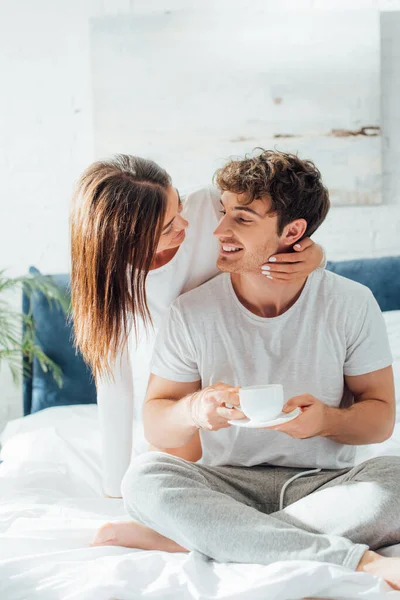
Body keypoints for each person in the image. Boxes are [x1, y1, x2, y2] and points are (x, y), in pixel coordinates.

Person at [117, 150, 400, 589]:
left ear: (293, 232)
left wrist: (327, 420)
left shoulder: (351, 302)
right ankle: (357, 562)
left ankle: (209, 536)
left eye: (242, 220)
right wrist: (196, 410)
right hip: (221, 483)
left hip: (325, 485)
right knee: (144, 479)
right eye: (224, 212)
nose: (219, 231)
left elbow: (380, 419)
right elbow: (157, 420)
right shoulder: (191, 311)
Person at [70, 154, 324, 500]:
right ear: (123, 239)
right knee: (177, 478)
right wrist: (115, 488)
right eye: (166, 228)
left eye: (178, 208)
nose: (184, 227)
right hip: (177, 397)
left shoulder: (209, 207)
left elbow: (271, 239)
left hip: (242, 378)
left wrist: (316, 255)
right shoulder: (110, 283)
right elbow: (115, 388)